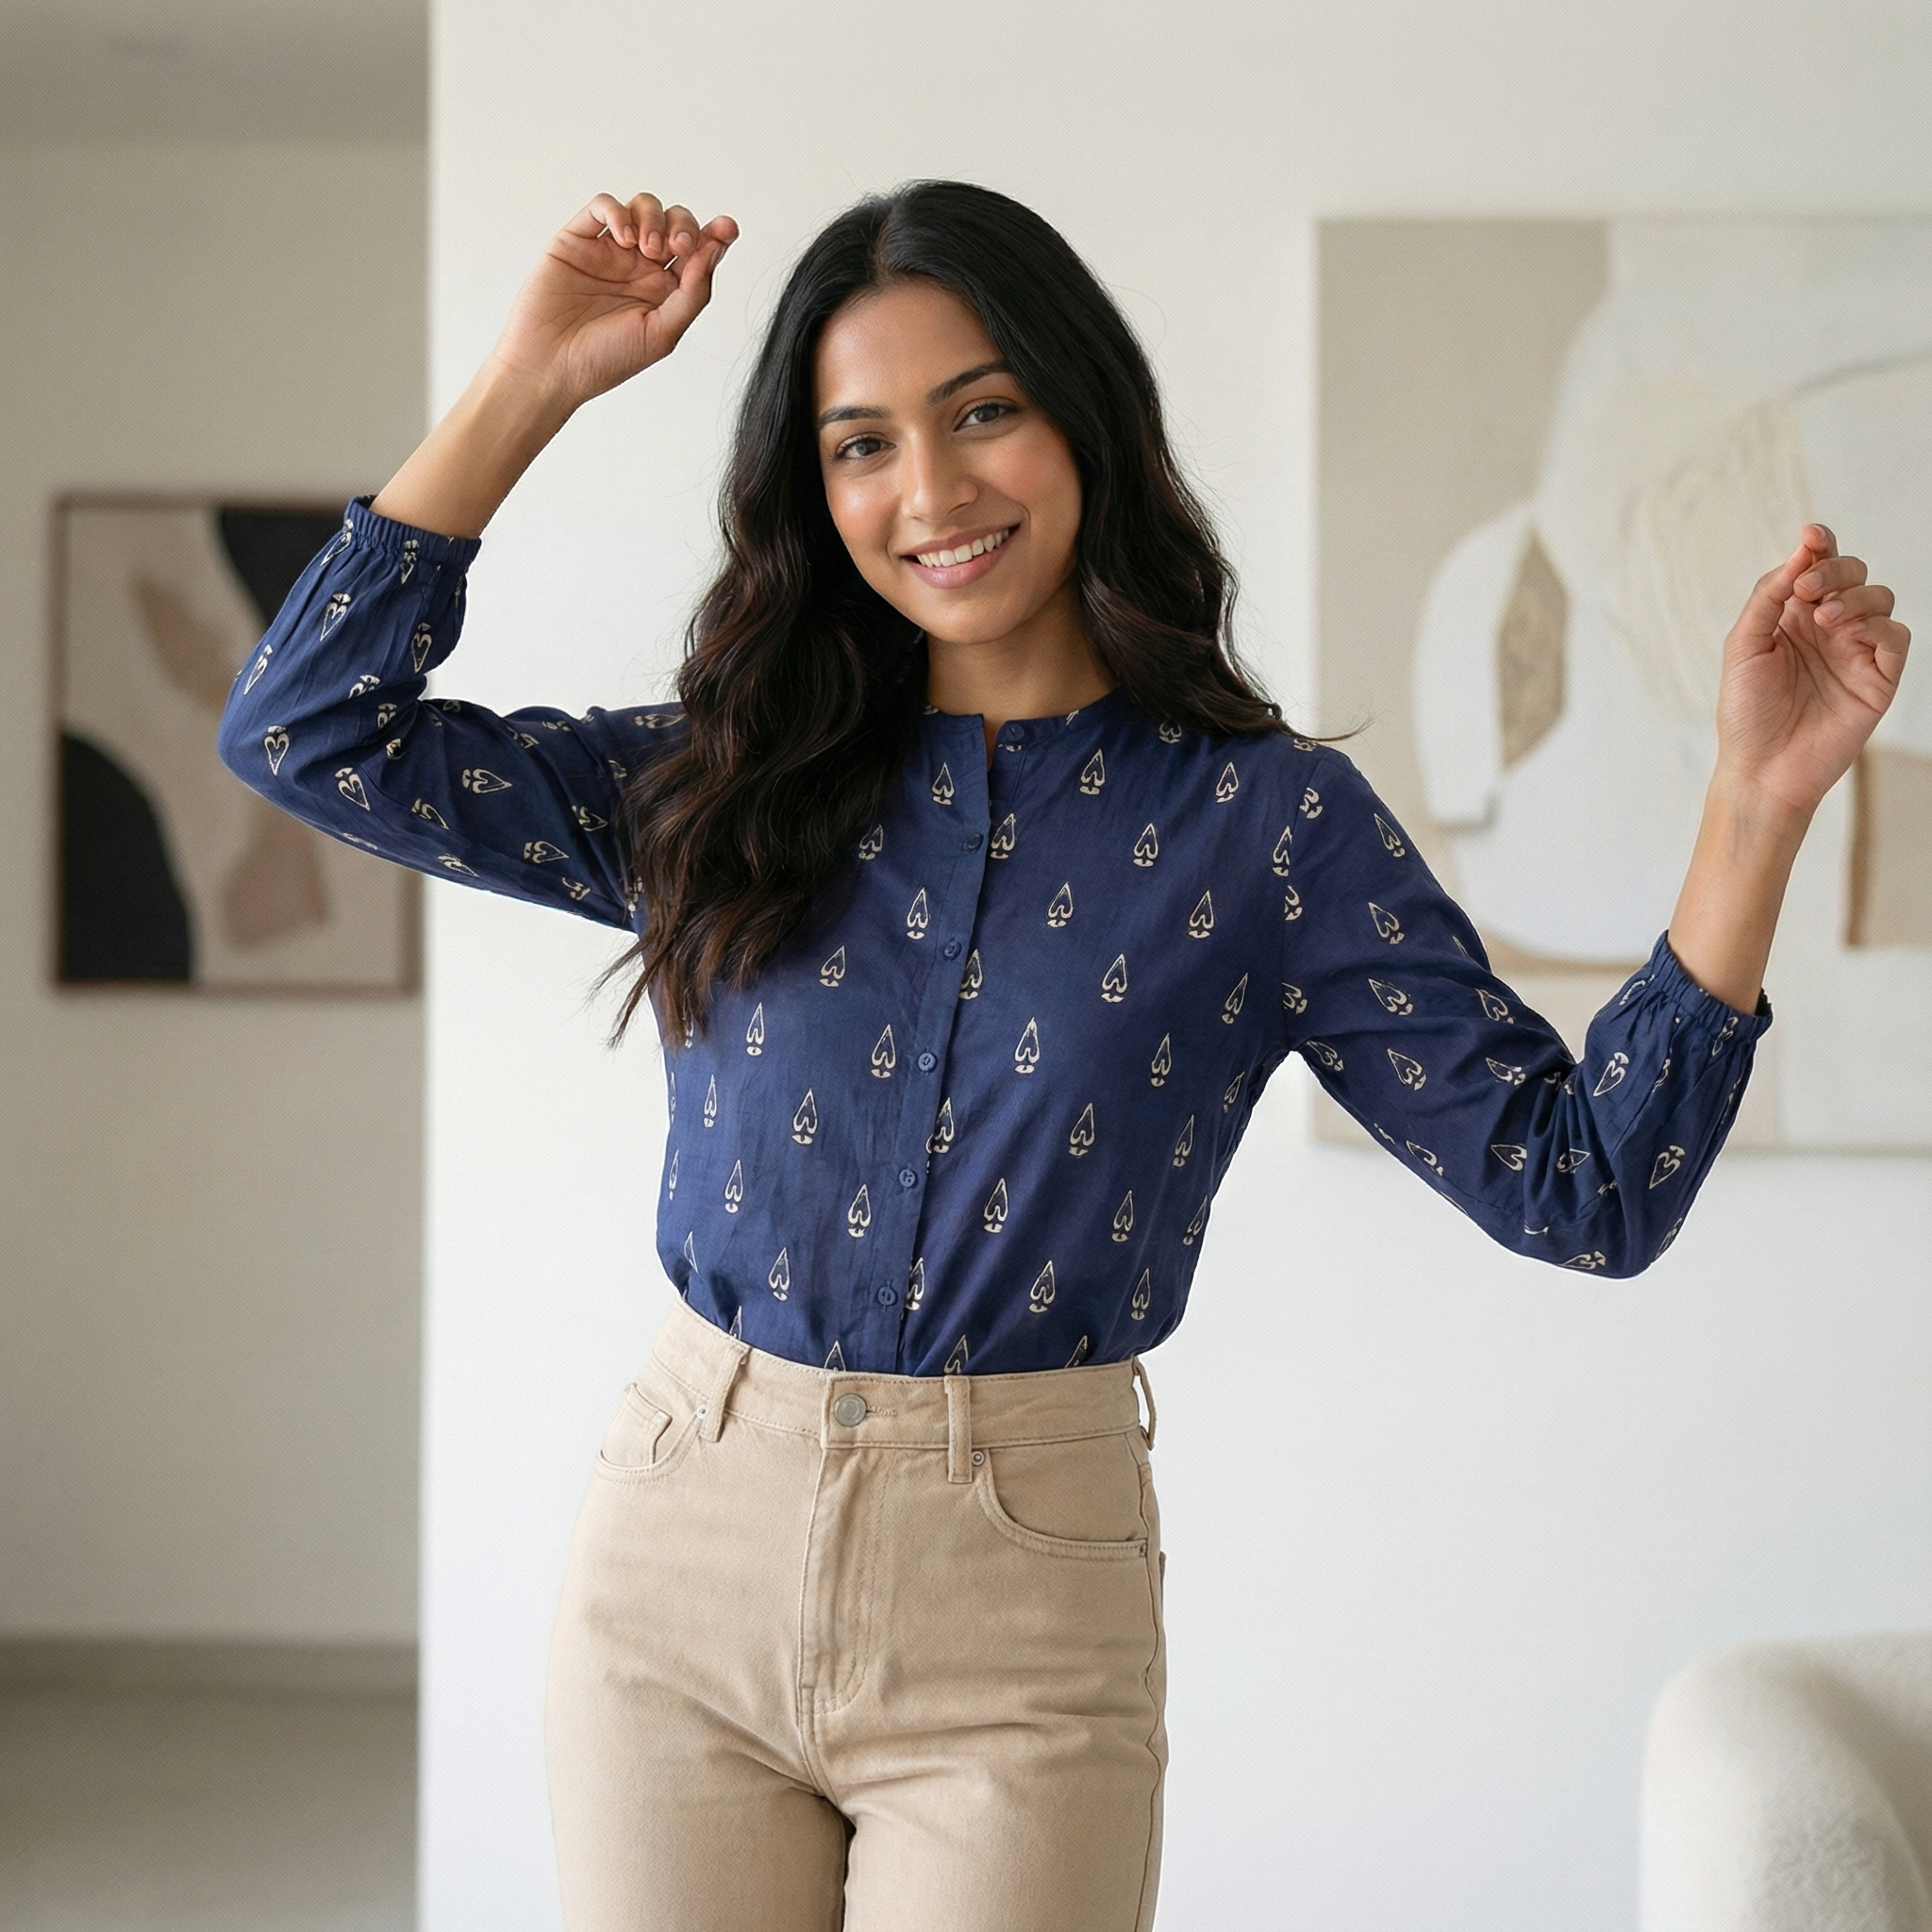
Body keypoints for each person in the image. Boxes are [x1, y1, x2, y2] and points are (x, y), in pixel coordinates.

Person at [217, 181, 1910, 1931]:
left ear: (1083, 418)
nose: (930, 494)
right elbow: (306, 729)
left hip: (1017, 1606)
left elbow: (1588, 1190)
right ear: (819, 490)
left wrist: (1754, 806)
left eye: (983, 413)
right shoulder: (723, 779)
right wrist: (531, 379)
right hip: (678, 1547)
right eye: (861, 444)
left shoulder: (1267, 829)